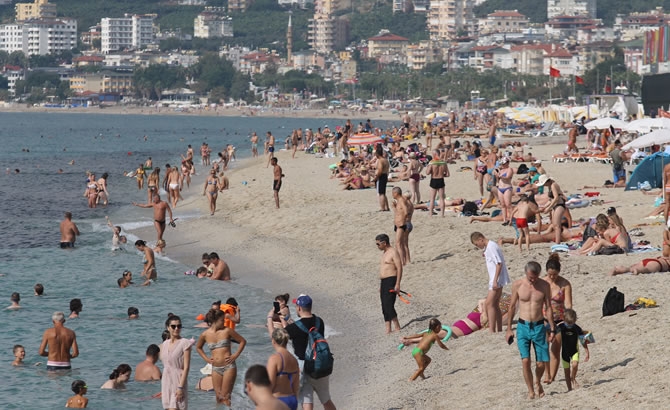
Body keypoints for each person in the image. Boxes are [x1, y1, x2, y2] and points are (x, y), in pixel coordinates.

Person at [505, 261, 556, 400]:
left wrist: (552, 328)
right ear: (526, 273)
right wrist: (509, 329)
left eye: (535, 277)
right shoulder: (518, 285)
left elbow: (549, 307)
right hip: (523, 326)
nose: (532, 280)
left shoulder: (544, 286)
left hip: (539, 326)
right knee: (525, 361)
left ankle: (538, 381)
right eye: (530, 277)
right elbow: (512, 307)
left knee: (541, 363)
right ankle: (531, 391)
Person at [285, 295, 336, 410]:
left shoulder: (293, 328)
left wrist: (276, 319)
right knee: (326, 400)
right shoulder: (319, 322)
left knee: (307, 401)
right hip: (320, 362)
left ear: (299, 308)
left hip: (304, 367)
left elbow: (279, 337)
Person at [195, 309, 247, 406]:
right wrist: (206, 359)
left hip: (229, 367)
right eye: (222, 320)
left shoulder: (227, 331)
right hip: (215, 368)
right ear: (215, 321)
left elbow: (242, 341)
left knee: (226, 397)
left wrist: (235, 355)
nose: (224, 322)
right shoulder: (205, 334)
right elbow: (198, 347)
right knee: (218, 398)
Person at [470, 232, 510, 332]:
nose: (477, 246)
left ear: (481, 239)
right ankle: (499, 328)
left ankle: (492, 329)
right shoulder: (489, 247)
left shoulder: (491, 246)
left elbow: (499, 264)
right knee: (495, 304)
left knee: (489, 303)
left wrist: (495, 280)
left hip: (496, 279)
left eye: (476, 244)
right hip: (496, 279)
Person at [542, 253, 573, 384]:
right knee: (543, 348)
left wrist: (569, 318)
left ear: (559, 272)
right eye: (550, 274)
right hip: (543, 319)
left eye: (554, 274)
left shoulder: (565, 284)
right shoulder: (542, 283)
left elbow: (568, 304)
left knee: (555, 349)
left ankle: (552, 377)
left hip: (559, 320)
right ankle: (546, 373)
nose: (552, 277)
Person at [161, 315, 191, 410]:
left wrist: (180, 387)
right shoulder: (164, 344)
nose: (176, 328)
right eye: (173, 326)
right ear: (168, 327)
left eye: (179, 326)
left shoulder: (185, 343)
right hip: (166, 380)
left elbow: (186, 367)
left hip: (178, 380)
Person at [375, 234, 402, 334]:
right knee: (384, 305)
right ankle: (388, 328)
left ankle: (397, 326)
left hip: (392, 280)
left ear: (384, 243)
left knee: (389, 304)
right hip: (384, 282)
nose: (377, 246)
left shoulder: (393, 252)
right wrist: (381, 285)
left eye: (378, 244)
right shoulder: (385, 253)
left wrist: (398, 283)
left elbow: (399, 268)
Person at [267, 328, 300, 410]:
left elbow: (270, 385)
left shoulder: (274, 359)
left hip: (278, 400)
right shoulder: (294, 360)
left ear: (273, 341)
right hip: (292, 400)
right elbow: (295, 386)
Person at [558, 309, 590, 391]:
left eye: (571, 324)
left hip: (574, 351)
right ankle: (569, 389)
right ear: (563, 319)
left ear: (575, 321)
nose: (569, 325)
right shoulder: (561, 327)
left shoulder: (576, 328)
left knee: (575, 365)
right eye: (567, 323)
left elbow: (582, 340)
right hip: (564, 352)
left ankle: (573, 378)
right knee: (566, 372)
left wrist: (587, 352)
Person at [537, 175, 567, 244]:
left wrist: (548, 208)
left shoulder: (553, 185)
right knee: (554, 224)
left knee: (557, 225)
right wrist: (544, 207)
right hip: (555, 205)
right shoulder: (550, 186)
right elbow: (551, 199)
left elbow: (556, 198)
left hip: (559, 205)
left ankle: (558, 242)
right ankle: (557, 240)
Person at [425, 151, 450, 217]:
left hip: (434, 179)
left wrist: (430, 169)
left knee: (432, 198)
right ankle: (442, 214)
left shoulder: (432, 162)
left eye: (433, 154)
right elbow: (447, 174)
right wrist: (442, 174)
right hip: (441, 179)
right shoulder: (443, 162)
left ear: (435, 154)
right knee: (441, 198)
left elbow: (427, 173)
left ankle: (430, 214)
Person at [391, 187, 410, 266]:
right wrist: (394, 207)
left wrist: (403, 221)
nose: (392, 195)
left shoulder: (401, 200)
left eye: (392, 193)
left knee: (399, 243)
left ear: (396, 193)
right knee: (398, 243)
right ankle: (403, 261)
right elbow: (399, 212)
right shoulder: (399, 201)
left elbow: (406, 211)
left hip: (401, 224)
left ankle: (402, 262)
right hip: (398, 224)